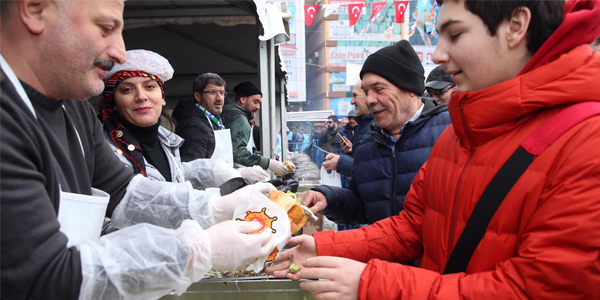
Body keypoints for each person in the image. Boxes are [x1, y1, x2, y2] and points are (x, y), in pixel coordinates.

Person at [267, 0, 600, 299]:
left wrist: (373, 283)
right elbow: (413, 225)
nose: (438, 54)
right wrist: (321, 244)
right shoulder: (461, 134)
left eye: (454, 34)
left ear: (515, 26)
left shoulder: (586, 141)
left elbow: (541, 288)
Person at [0, 1, 277, 299]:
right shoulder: (9, 121)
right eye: (106, 28)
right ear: (34, 10)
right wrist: (194, 251)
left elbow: (124, 189)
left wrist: (212, 206)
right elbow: (47, 275)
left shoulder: (73, 107)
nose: (119, 52)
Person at [303, 41, 451, 225]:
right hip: (384, 252)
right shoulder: (368, 145)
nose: (370, 100)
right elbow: (362, 205)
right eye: (366, 92)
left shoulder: (452, 132)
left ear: (410, 88)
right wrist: (329, 199)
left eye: (379, 89)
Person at [100, 50, 268, 185]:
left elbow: (178, 174)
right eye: (127, 89)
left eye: (150, 87)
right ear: (113, 101)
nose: (141, 96)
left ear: (162, 97)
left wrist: (230, 173)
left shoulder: (167, 140)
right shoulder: (104, 149)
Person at [221, 81, 288, 174]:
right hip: (236, 174)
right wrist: (267, 163)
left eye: (259, 103)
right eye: (255, 102)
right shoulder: (240, 119)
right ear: (243, 99)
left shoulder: (227, 114)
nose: (258, 107)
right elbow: (238, 152)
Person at [172, 73, 232, 164]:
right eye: (213, 92)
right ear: (198, 96)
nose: (219, 98)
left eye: (222, 92)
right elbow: (193, 167)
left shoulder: (213, 120)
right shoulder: (194, 126)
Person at [322, 80, 376, 177]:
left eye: (355, 96)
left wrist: (341, 163)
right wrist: (352, 151)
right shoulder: (363, 126)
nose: (352, 101)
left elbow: (374, 171)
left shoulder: (377, 127)